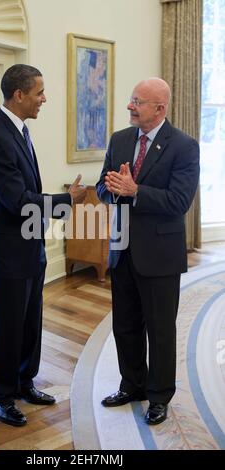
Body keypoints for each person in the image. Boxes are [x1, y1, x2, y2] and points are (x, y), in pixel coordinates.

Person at [0, 64, 86, 427]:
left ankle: (24, 383)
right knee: (6, 327)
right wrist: (66, 200)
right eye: (39, 92)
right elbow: (17, 201)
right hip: (5, 252)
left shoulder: (18, 130)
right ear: (19, 95)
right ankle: (1, 396)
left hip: (28, 247)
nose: (44, 99)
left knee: (29, 322)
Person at [96, 77, 200, 425]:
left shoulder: (184, 146)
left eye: (137, 101)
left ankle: (158, 396)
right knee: (125, 326)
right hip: (122, 249)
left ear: (159, 108)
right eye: (131, 99)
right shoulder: (120, 139)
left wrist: (135, 189)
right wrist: (113, 189)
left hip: (160, 255)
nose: (130, 106)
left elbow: (179, 202)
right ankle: (132, 385)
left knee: (159, 329)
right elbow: (101, 187)